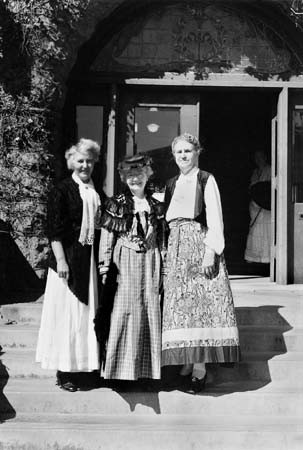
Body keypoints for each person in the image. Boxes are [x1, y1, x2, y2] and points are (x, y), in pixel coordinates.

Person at [162, 133, 240, 393]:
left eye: (188, 151)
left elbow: (215, 218)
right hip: (176, 248)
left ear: (197, 152)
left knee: (202, 308)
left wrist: (211, 252)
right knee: (182, 309)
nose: (183, 156)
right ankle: (185, 363)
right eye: (178, 152)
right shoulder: (171, 183)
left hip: (199, 245)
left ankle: (199, 369)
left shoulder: (206, 179)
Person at [36, 138, 106, 392]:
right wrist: (62, 260)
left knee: (87, 316)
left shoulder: (96, 191)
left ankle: (85, 369)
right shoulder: (62, 190)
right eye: (80, 160)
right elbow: (54, 229)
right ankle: (64, 371)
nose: (85, 165)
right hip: (68, 259)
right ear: (71, 162)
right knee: (68, 315)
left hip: (89, 260)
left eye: (89, 161)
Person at [97, 154, 166, 383]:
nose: (135, 179)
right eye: (130, 175)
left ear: (147, 176)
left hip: (151, 261)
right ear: (124, 178)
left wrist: (164, 265)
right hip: (125, 262)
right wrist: (105, 267)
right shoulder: (116, 203)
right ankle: (121, 372)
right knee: (125, 311)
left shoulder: (156, 205)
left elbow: (163, 238)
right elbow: (107, 238)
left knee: (149, 308)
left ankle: (147, 372)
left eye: (139, 175)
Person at [244, 150, 271, 267]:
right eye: (256, 157)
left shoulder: (270, 169)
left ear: (265, 158)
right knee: (255, 230)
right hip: (255, 206)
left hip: (266, 207)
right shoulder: (255, 172)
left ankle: (267, 258)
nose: (259, 159)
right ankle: (254, 257)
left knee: (266, 230)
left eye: (261, 157)